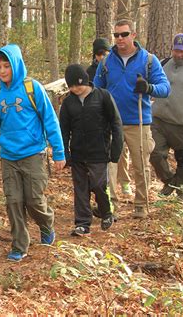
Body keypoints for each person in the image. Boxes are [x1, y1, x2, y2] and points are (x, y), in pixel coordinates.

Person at [0, 44, 65, 262]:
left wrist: (58, 151)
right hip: (8, 155)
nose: (2, 71)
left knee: (33, 200)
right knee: (13, 201)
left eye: (6, 66)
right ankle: (20, 244)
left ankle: (46, 224)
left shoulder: (33, 88)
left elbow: (50, 119)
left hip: (33, 154)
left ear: (16, 65)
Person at [93, 19, 170, 218]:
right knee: (109, 165)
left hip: (139, 122)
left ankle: (141, 204)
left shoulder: (149, 60)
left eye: (124, 34)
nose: (120, 39)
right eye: (116, 35)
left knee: (140, 165)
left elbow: (165, 88)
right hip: (111, 122)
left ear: (133, 35)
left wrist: (149, 88)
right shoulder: (106, 61)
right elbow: (96, 88)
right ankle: (109, 205)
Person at [60, 64, 123, 236]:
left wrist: (116, 149)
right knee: (81, 188)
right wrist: (64, 152)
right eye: (71, 86)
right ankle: (82, 223)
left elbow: (116, 123)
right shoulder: (68, 102)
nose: (75, 89)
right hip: (78, 152)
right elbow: (64, 130)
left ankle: (106, 212)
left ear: (85, 81)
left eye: (78, 85)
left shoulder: (102, 96)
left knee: (99, 184)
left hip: (99, 151)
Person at [150, 33, 183, 197]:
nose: (179, 54)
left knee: (182, 158)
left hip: (182, 123)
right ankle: (171, 182)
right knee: (155, 154)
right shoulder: (163, 64)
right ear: (172, 49)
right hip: (158, 120)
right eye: (176, 50)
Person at [88, 38, 132, 204]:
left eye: (104, 53)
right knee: (110, 154)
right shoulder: (91, 71)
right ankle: (110, 196)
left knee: (123, 152)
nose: (102, 56)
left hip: (123, 116)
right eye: (99, 53)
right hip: (102, 118)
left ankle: (125, 182)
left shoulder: (114, 65)